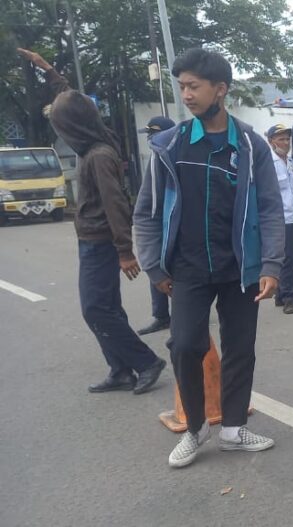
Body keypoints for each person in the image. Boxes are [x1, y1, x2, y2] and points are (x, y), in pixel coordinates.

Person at [134, 48, 284, 468]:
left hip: (240, 268)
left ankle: (234, 429)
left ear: (220, 89)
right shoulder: (171, 145)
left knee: (240, 348)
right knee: (185, 345)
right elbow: (146, 211)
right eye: (182, 86)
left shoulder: (250, 145)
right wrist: (153, 264)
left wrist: (271, 265)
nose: (186, 95)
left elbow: (270, 208)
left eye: (194, 86)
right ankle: (197, 428)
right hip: (188, 269)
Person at [17, 48, 168, 395]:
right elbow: (72, 100)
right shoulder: (95, 140)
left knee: (96, 310)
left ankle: (146, 362)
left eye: (61, 124)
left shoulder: (98, 156)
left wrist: (125, 251)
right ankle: (120, 370)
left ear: (73, 126)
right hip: (93, 241)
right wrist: (48, 69)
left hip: (100, 243)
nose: (60, 128)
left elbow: (116, 204)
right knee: (107, 308)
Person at [136, 115, 177, 335]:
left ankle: (183, 313)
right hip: (158, 228)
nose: (150, 138)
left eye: (154, 133)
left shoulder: (173, 156)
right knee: (156, 272)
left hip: (174, 230)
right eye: (149, 134)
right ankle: (161, 316)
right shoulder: (155, 157)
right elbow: (146, 209)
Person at [267, 124, 293, 314]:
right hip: (280, 219)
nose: (285, 143)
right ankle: (289, 298)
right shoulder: (268, 164)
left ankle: (281, 295)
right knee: (287, 259)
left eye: (287, 139)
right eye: (281, 139)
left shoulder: (292, 162)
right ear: (271, 141)